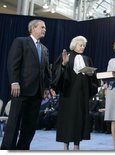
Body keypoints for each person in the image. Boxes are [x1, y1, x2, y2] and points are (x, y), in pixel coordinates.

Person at [1, 19, 50, 150]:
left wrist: (45, 87)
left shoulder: (44, 49)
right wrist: (14, 82)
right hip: (21, 90)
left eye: (45, 28)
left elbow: (46, 71)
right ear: (33, 28)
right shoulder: (21, 42)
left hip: (37, 93)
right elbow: (13, 63)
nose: (44, 29)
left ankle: (22, 150)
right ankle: (7, 150)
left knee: (30, 126)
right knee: (14, 123)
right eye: (42, 27)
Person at [52, 36, 97, 150]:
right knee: (68, 119)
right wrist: (63, 64)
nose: (83, 47)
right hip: (69, 93)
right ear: (74, 45)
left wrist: (91, 75)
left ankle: (77, 145)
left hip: (82, 94)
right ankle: (65, 145)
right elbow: (57, 73)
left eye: (84, 45)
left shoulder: (87, 59)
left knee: (79, 119)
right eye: (80, 45)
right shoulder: (66, 56)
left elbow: (93, 79)